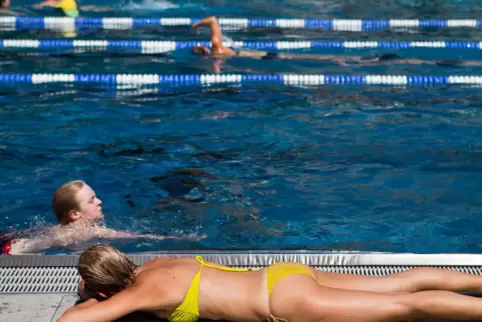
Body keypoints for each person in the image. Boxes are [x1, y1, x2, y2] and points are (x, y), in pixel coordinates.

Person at [60, 244, 482, 322]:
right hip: (283, 273)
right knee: (401, 283)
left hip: (283, 301)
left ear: (103, 287)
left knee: (407, 309)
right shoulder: (158, 265)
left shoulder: (139, 294)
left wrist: (87, 298)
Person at [191, 16, 482, 71]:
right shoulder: (219, 52)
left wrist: (203, 24)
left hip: (279, 58)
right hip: (277, 57)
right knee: (337, 62)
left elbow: (215, 22)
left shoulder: (219, 51)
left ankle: (375, 61)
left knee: (336, 62)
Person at [0, 180, 205, 255]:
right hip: (15, 251)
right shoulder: (90, 231)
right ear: (75, 214)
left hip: (13, 246)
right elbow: (134, 236)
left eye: (96, 196)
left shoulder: (59, 227)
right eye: (91, 200)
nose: (100, 201)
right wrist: (181, 239)